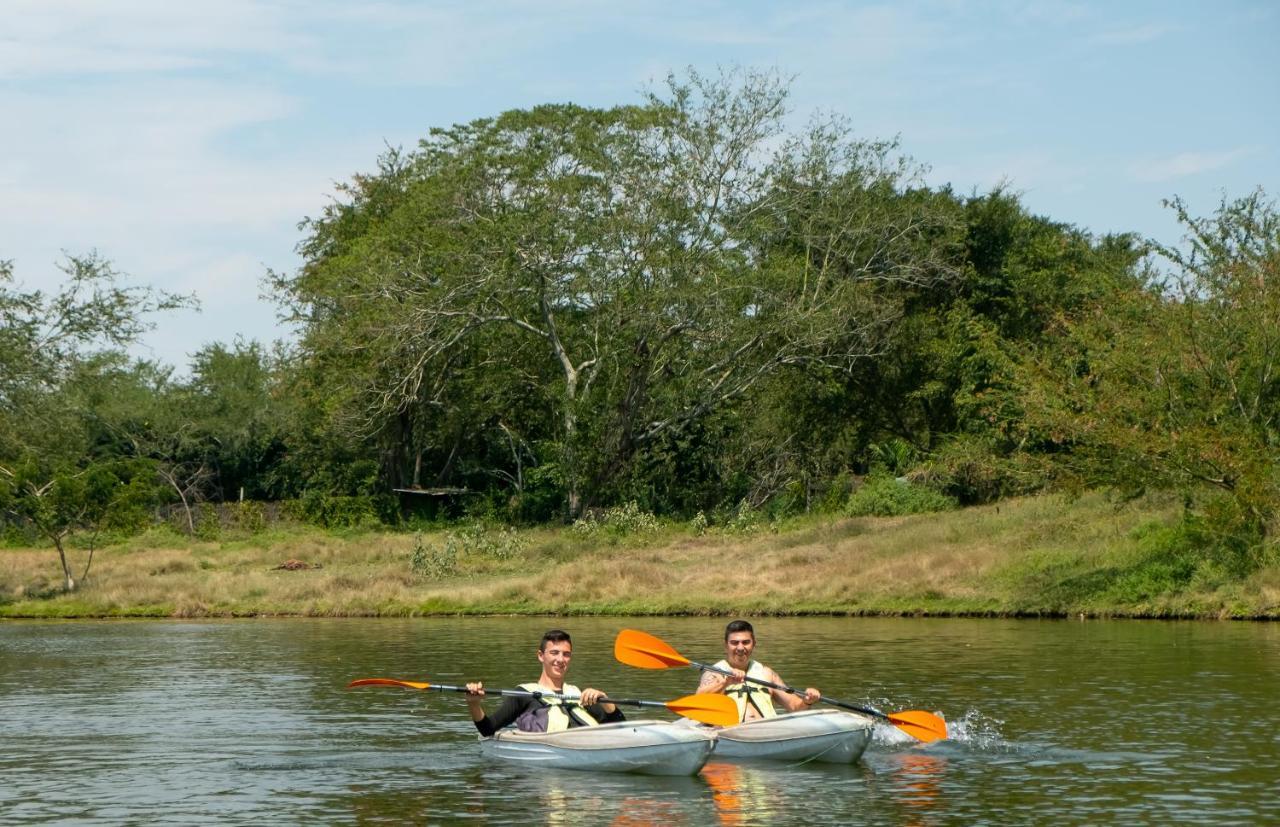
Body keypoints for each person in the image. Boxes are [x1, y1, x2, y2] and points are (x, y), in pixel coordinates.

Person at [465, 629, 625, 735]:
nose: (561, 659)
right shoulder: (524, 694)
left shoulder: (579, 694)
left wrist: (605, 700)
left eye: (566, 654)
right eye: (554, 653)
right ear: (541, 656)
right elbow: (488, 729)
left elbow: (622, 729)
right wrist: (474, 704)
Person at [695, 619, 820, 722]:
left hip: (767, 732)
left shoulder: (766, 673)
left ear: (754, 643)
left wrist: (807, 701)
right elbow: (698, 703)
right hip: (731, 733)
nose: (740, 647)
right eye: (734, 643)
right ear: (726, 645)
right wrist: (726, 683)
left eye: (746, 642)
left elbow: (794, 706)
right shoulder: (714, 673)